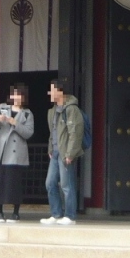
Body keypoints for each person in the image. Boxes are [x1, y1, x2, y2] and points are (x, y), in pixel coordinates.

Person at [0, 83, 33, 223]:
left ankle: (15, 213)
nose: (16, 97)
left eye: (19, 95)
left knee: (14, 182)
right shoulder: (1, 107)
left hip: (15, 153)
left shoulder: (27, 113)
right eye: (14, 94)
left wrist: (15, 123)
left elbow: (29, 133)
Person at [42, 77, 85, 225]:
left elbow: (75, 133)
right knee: (50, 183)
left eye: (52, 90)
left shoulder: (71, 109)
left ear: (59, 91)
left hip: (66, 152)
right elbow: (52, 132)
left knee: (67, 184)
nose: (49, 93)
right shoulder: (52, 111)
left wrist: (70, 154)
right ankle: (56, 214)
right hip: (55, 152)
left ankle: (70, 215)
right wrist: (50, 148)